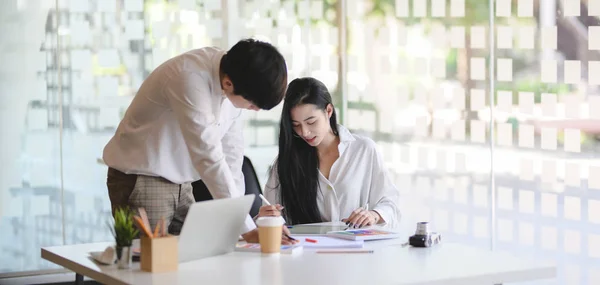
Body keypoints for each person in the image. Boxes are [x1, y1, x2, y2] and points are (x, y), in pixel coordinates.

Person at [103, 39, 295, 244]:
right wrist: (245, 228)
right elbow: (208, 155)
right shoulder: (189, 78)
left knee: (196, 259)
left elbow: (232, 156)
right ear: (228, 83)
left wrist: (240, 221)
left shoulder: (236, 80)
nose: (253, 110)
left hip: (182, 183)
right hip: (144, 178)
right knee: (151, 266)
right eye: (252, 105)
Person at [257, 77, 401, 228]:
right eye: (296, 125)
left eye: (311, 122)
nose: (304, 132)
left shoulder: (363, 150)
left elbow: (390, 203)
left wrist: (374, 215)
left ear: (329, 111)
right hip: (305, 248)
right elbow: (270, 215)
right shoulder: (286, 161)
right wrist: (267, 217)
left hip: (352, 247)